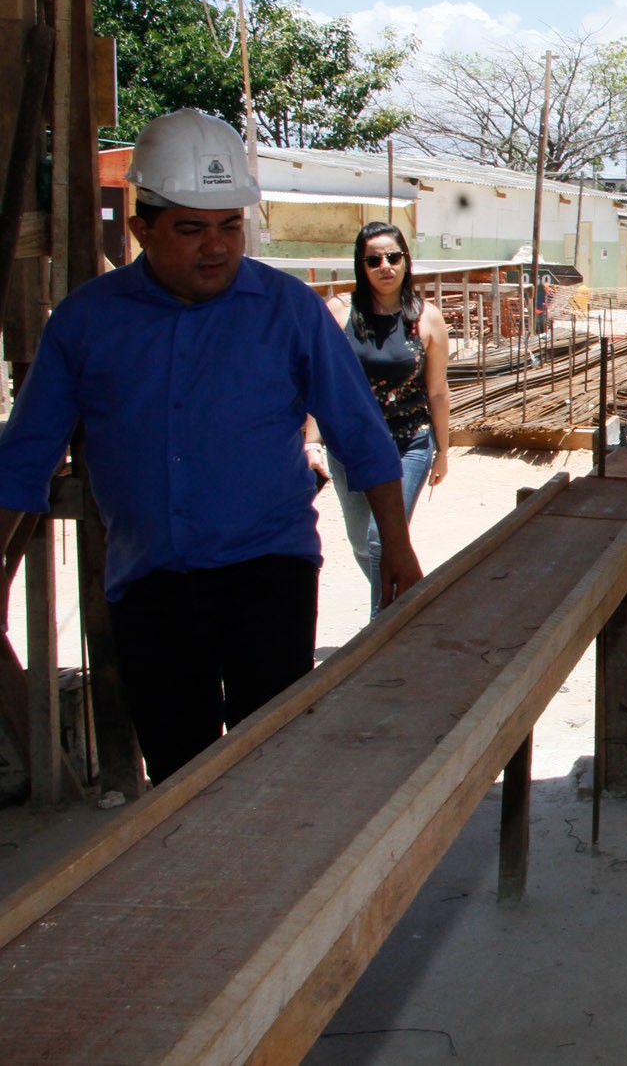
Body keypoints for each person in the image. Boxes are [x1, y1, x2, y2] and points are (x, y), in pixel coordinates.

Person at [0, 109, 421, 784]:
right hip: (150, 585)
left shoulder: (287, 310)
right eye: (192, 229)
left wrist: (396, 545)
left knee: (272, 761)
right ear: (143, 228)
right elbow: (22, 458)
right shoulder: (87, 322)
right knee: (179, 771)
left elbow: (360, 433)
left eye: (231, 226)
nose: (217, 247)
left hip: (269, 574)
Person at [313, 221, 451, 617]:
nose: (385, 266)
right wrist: (313, 440)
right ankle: (405, 606)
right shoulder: (339, 312)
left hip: (409, 442)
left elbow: (438, 391)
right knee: (360, 541)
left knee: (381, 538)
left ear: (406, 260)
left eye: (393, 257)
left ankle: (382, 627)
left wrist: (443, 451)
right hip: (351, 446)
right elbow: (320, 381)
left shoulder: (427, 318)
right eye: (374, 260)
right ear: (362, 265)